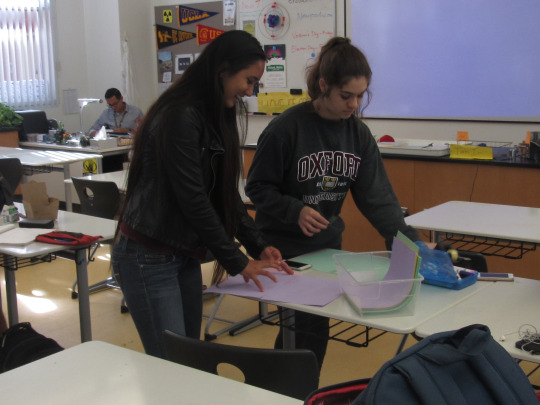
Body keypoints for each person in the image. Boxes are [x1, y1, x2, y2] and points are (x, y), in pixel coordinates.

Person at [111, 30, 293, 359]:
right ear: (222, 70)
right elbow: (194, 199)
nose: (249, 91)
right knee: (171, 364)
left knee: (188, 359)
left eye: (256, 85)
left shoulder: (214, 112)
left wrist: (258, 244)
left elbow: (224, 193)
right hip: (148, 256)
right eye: (248, 81)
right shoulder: (180, 114)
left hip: (182, 253)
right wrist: (239, 262)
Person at [245, 37, 420, 370]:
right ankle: (289, 390)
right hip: (283, 249)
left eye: (360, 95)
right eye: (346, 95)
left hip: (326, 249)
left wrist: (406, 244)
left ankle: (292, 389)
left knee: (312, 332)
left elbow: (378, 198)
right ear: (323, 85)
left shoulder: (358, 135)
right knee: (302, 330)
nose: (354, 104)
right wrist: (294, 209)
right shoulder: (286, 129)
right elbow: (256, 186)